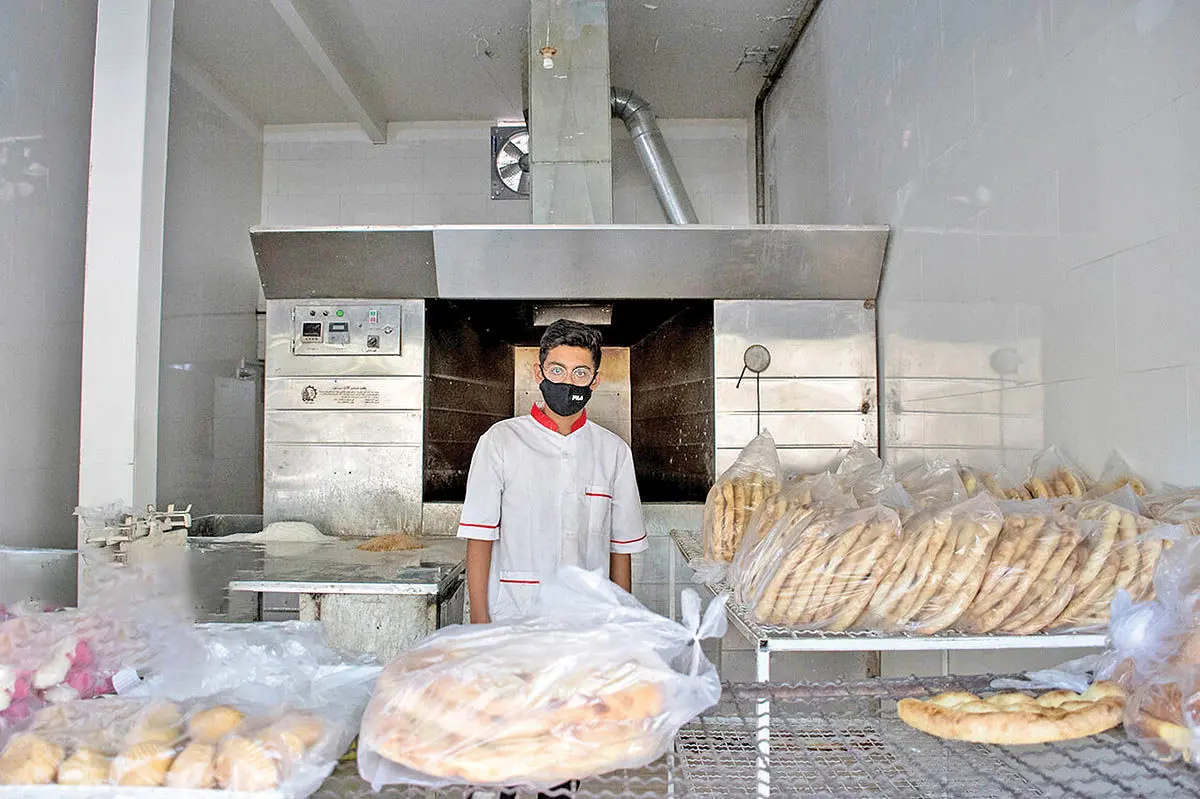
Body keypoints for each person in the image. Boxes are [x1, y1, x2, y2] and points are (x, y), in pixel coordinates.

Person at [457, 319, 649, 799]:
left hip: (582, 625)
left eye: (580, 373)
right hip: (512, 615)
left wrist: (618, 625)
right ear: (539, 372)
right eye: (558, 370)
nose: (568, 382)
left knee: (564, 741)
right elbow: (479, 538)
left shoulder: (612, 452)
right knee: (507, 736)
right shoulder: (501, 442)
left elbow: (621, 549)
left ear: (595, 380)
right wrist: (480, 623)